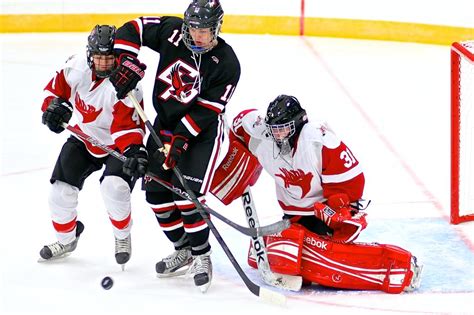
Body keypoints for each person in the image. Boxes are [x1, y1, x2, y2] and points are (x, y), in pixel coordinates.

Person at [210, 95, 423, 293]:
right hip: (293, 214)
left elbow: (354, 181)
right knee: (284, 248)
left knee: (319, 258)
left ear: (298, 123)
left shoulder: (318, 141)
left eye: (283, 129)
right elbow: (238, 124)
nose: (277, 135)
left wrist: (339, 209)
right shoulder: (260, 132)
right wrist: (236, 158)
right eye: (274, 129)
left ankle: (400, 267)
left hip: (321, 212)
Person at [109, 0, 240, 292]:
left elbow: (208, 110)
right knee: (156, 195)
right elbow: (134, 28)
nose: (197, 36)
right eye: (193, 28)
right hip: (164, 126)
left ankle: (202, 254)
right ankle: (183, 248)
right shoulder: (171, 32)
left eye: (204, 31)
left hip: (201, 134)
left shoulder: (227, 63)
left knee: (185, 195)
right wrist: (126, 62)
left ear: (217, 28)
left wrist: (179, 140)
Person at [39, 25, 148, 269]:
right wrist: (52, 109)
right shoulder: (75, 67)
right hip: (84, 137)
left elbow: (126, 129)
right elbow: (53, 94)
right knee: (60, 192)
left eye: (109, 58)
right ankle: (66, 239)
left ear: (117, 56)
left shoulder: (127, 86)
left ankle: (122, 237)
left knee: (115, 188)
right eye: (98, 57)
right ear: (89, 55)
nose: (103, 63)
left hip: (116, 145)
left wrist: (133, 151)